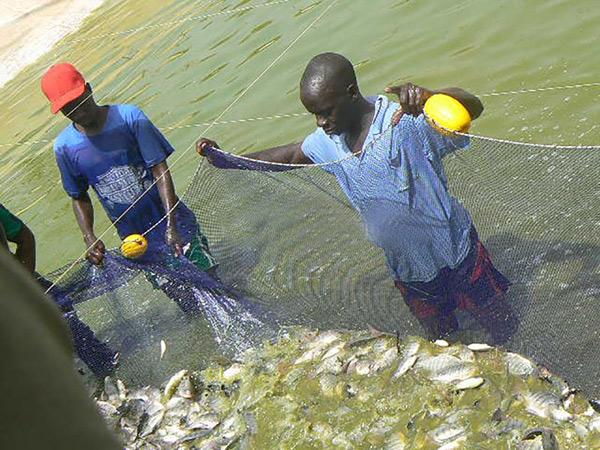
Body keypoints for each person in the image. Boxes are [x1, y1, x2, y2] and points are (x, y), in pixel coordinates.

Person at [196, 52, 517, 343]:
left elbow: (473, 109)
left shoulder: (406, 121)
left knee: (501, 323)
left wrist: (435, 98)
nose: (321, 122)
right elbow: (290, 156)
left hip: (456, 253)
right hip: (408, 270)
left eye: (325, 112)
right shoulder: (327, 141)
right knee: (442, 337)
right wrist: (226, 159)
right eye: (314, 115)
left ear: (351, 93)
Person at [41, 63, 217, 315]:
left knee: (213, 283)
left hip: (175, 223)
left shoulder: (130, 118)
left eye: (79, 101)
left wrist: (171, 225)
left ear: (89, 90)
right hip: (138, 243)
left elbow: (160, 170)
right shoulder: (65, 148)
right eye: (68, 108)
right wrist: (88, 236)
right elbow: (79, 197)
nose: (77, 112)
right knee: (186, 302)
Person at [0, 248, 122, 450]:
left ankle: (108, 374)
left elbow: (24, 237)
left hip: (27, 295)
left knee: (69, 329)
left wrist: (26, 285)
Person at [0, 202, 119, 377]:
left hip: (17, 283)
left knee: (65, 322)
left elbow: (25, 239)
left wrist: (23, 287)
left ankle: (109, 373)